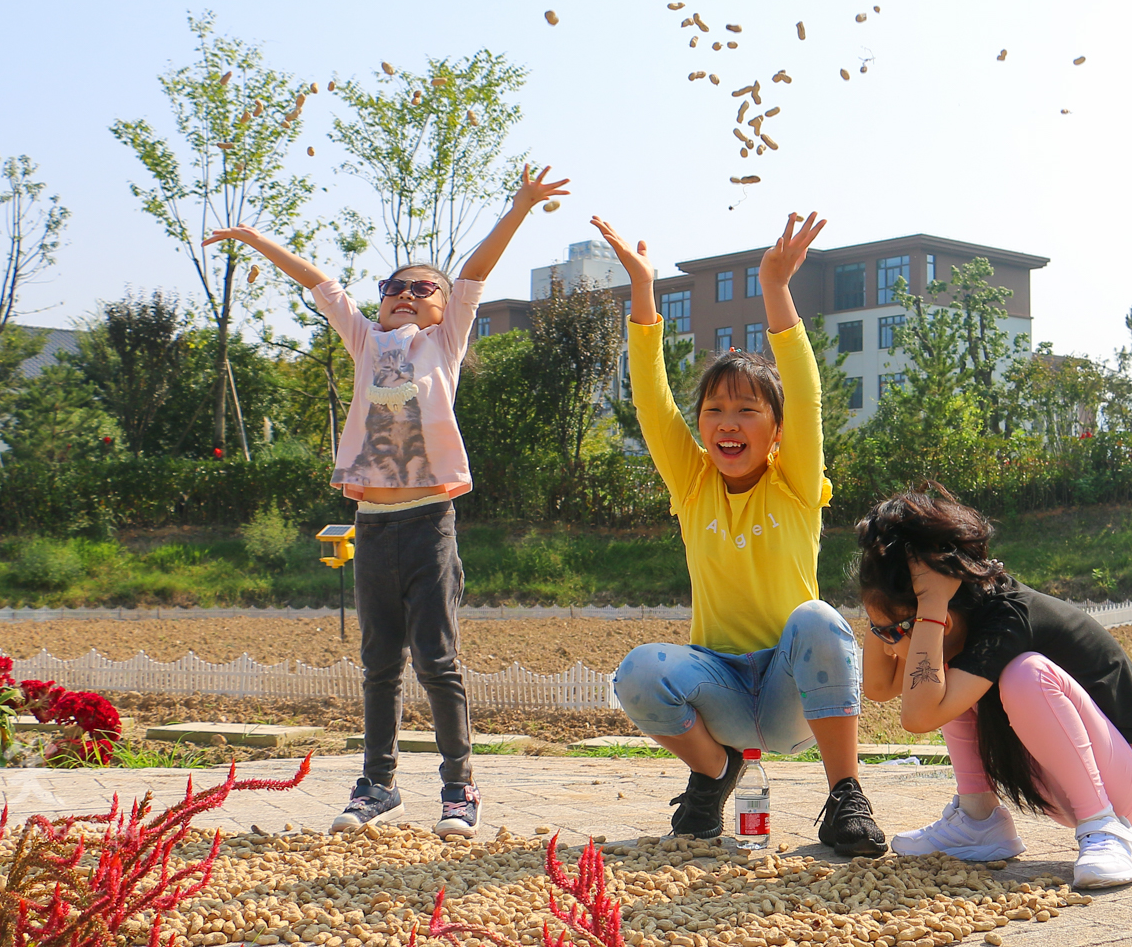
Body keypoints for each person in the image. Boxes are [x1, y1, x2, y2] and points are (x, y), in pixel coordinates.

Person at [204, 164, 570, 837]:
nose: (405, 293)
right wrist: (255, 238)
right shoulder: (365, 340)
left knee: (436, 659)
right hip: (371, 525)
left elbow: (476, 272)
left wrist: (518, 207)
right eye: (393, 287)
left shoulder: (445, 341)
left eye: (420, 287)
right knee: (378, 663)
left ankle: (460, 789)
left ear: (441, 303)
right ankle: (377, 784)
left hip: (429, 523)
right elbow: (317, 281)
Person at [592, 210, 887, 857]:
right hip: (719, 687)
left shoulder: (796, 482)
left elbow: (806, 394)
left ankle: (845, 797)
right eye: (715, 410)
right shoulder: (692, 484)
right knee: (638, 672)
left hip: (790, 689)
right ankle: (713, 773)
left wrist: (776, 289)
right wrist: (644, 291)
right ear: (699, 425)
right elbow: (650, 399)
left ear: (775, 431)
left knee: (818, 618)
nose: (729, 422)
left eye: (747, 409)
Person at [856, 486, 1132, 886]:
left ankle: (1106, 829)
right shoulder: (961, 622)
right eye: (875, 629)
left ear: (942, 616)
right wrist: (895, 613)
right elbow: (880, 687)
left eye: (890, 631)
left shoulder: (1009, 616)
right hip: (1059, 779)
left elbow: (917, 716)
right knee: (942, 674)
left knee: (1025, 673)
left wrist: (929, 609)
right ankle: (979, 821)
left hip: (1127, 779)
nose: (886, 644)